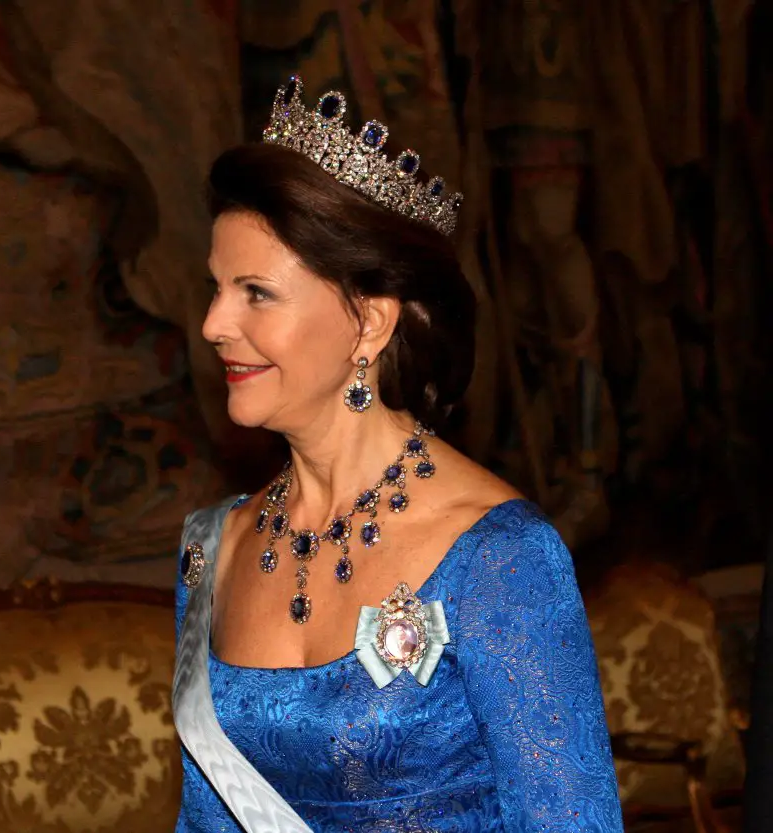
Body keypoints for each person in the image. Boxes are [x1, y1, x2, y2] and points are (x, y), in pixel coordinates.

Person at [171, 76, 623, 832]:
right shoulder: (209, 549)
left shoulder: (500, 558)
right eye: (215, 288)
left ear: (369, 322)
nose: (215, 322)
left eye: (256, 292)